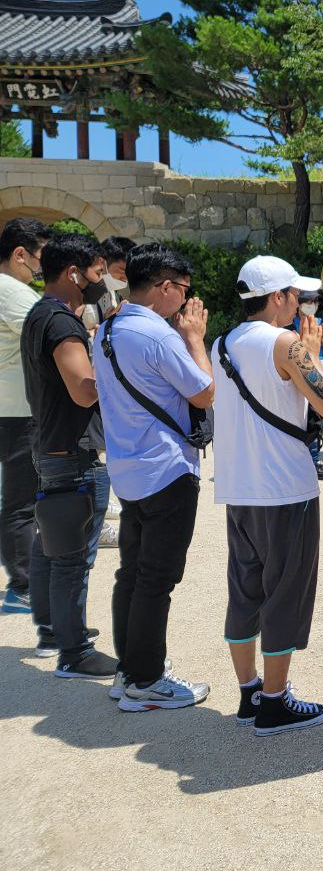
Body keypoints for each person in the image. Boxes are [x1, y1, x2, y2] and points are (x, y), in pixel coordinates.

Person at [213, 255, 323, 734]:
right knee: (285, 592)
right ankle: (275, 701)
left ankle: (249, 692)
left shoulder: (220, 342)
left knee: (244, 590)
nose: (300, 304)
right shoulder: (287, 344)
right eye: (295, 295)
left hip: (238, 486)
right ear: (277, 297)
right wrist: (314, 353)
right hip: (285, 487)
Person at [93, 244, 215, 710]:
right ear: (165, 286)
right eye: (183, 291)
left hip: (128, 468)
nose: (185, 302)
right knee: (157, 578)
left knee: (133, 572)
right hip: (165, 467)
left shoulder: (106, 329)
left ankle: (129, 670)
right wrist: (196, 339)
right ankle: (146, 679)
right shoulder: (159, 336)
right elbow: (205, 393)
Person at [21, 234, 115, 677]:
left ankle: (56, 634)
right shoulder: (61, 322)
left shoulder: (40, 314)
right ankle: (74, 652)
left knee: (52, 548)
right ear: (74, 272)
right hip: (72, 451)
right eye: (97, 272)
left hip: (49, 444)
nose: (101, 281)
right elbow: (83, 390)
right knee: (74, 555)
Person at [0, 218, 50, 615]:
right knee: (21, 501)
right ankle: (21, 587)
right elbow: (48, 333)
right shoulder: (13, 291)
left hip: (10, 407)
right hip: (18, 411)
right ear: (20, 254)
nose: (40, 268)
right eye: (39, 258)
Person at [293, 291, 323, 481]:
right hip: (295, 375)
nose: (312, 305)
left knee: (317, 420)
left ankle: (314, 461)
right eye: (307, 302)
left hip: (319, 372)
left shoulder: (320, 325)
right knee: (300, 421)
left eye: (315, 302)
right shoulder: (290, 324)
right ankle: (302, 461)